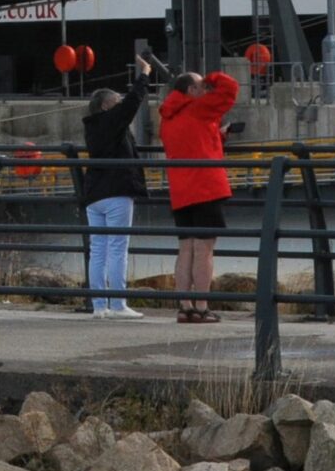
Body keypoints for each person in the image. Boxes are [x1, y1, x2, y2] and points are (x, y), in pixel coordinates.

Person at [158, 67, 239, 324]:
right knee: (204, 250)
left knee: (186, 249)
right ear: (192, 90)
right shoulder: (198, 108)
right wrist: (212, 78)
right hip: (204, 186)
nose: (206, 91)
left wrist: (218, 136)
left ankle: (185, 306)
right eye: (202, 87)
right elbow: (230, 89)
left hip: (180, 190)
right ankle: (202, 307)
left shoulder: (168, 117)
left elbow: (192, 141)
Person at [80, 83, 147, 318]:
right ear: (107, 105)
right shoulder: (112, 123)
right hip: (117, 189)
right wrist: (144, 76)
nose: (120, 105)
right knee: (118, 247)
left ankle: (99, 306)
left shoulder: (92, 127)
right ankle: (118, 304)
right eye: (116, 101)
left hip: (94, 192)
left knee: (98, 248)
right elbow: (131, 105)